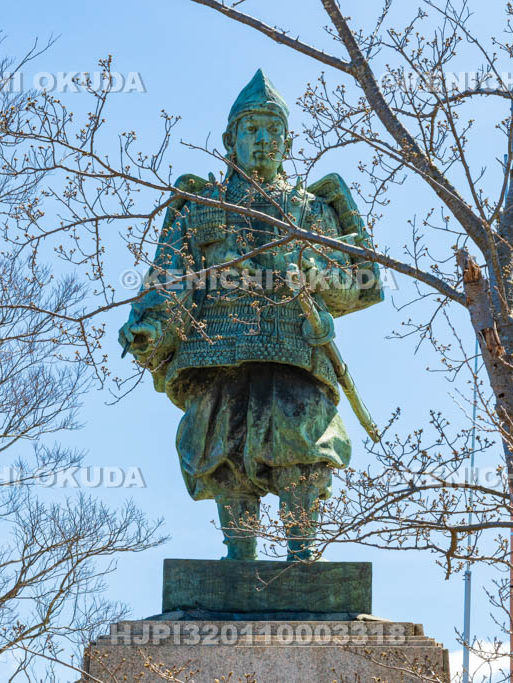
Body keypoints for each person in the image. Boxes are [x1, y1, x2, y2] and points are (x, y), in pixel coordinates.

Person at [118, 70, 382, 561]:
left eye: (273, 130)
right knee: (223, 449)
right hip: (217, 349)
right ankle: (239, 558)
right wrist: (148, 326)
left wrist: (315, 271)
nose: (263, 140)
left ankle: (302, 553)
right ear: (230, 140)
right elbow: (169, 278)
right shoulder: (201, 207)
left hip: (295, 348)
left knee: (302, 449)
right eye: (252, 129)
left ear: (288, 142)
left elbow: (359, 285)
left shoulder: (312, 211)